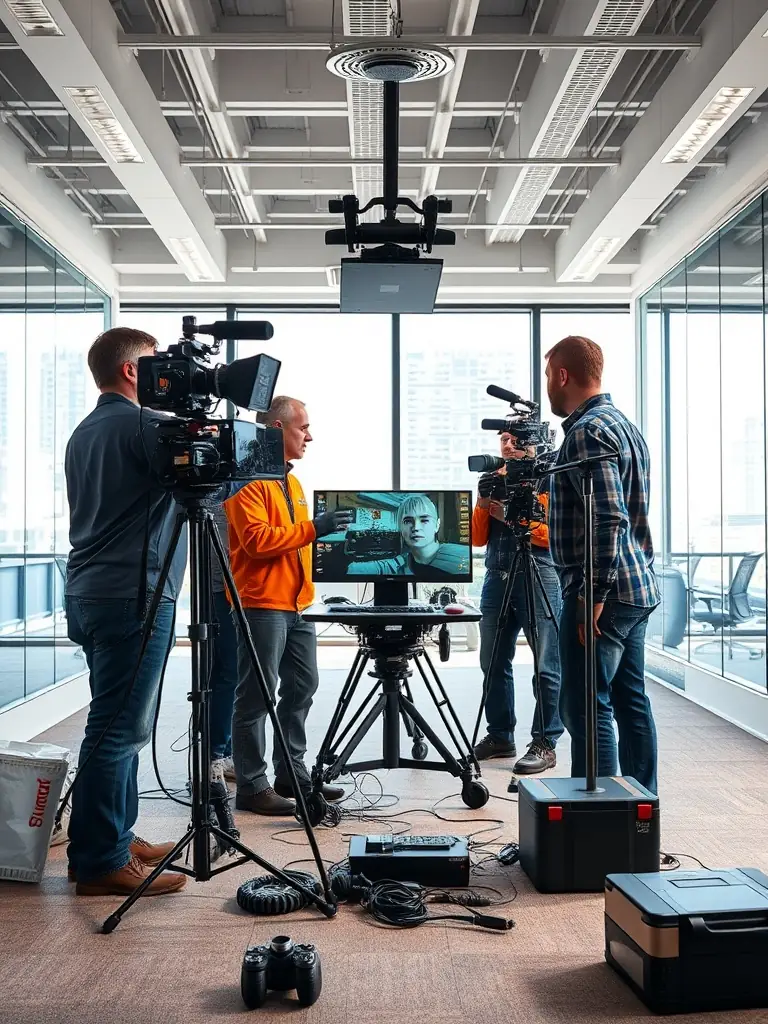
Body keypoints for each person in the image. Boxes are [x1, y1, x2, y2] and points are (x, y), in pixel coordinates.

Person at [64, 327, 187, 897]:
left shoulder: (87, 429)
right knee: (117, 729)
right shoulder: (144, 426)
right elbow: (212, 487)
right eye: (158, 365)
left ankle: (117, 833)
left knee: (120, 723)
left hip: (90, 591)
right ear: (133, 371)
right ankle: (99, 860)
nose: (169, 374)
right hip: (132, 595)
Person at [225, 396, 352, 815]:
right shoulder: (246, 481)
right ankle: (251, 785)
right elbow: (258, 542)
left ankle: (291, 774)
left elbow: (295, 540)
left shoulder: (291, 483)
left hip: (297, 606)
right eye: (303, 428)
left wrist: (321, 535)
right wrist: (316, 528)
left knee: (302, 687)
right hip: (262, 603)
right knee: (256, 696)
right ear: (277, 429)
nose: (309, 436)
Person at [545, 335, 659, 794]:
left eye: (549, 375)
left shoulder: (587, 430)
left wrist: (595, 591)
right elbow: (632, 513)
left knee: (586, 707)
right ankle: (640, 812)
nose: (549, 386)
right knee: (630, 702)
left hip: (604, 593)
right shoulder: (623, 424)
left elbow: (608, 515)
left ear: (563, 375)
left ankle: (598, 820)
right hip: (636, 587)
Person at [472, 431, 564, 775]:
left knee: (546, 666)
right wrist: (484, 502)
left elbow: (555, 535)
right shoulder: (492, 480)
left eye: (515, 440)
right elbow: (478, 538)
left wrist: (508, 514)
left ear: (536, 442)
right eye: (503, 440)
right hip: (497, 575)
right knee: (492, 661)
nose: (507, 446)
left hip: (540, 573)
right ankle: (500, 736)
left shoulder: (552, 476)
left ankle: (545, 742)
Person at [347, 495, 468, 577]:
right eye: (408, 521)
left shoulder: (462, 556)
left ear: (437, 525)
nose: (416, 527)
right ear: (400, 528)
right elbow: (353, 569)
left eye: (424, 520)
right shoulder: (400, 563)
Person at [207, 500, 239, 782]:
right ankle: (215, 758)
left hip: (236, 587)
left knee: (230, 674)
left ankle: (225, 754)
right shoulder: (224, 490)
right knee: (227, 674)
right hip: (222, 588)